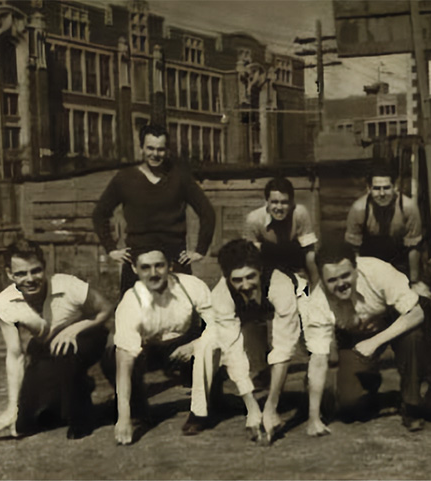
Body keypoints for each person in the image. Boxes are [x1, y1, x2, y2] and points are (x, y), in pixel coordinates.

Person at [0, 239, 112, 439]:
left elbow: (105, 309)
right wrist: (13, 406)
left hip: (89, 333)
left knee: (66, 352)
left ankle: (82, 418)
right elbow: (15, 354)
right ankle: (79, 385)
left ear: (45, 268)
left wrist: (74, 329)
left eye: (35, 271)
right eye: (20, 274)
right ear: (9, 274)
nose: (29, 279)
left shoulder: (68, 284)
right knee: (23, 425)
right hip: (47, 345)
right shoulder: (4, 303)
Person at [303, 243, 431, 436]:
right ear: (321, 279)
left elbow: (416, 313)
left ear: (356, 268)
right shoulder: (317, 302)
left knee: (413, 336)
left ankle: (412, 404)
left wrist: (375, 341)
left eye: (346, 275)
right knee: (350, 405)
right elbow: (319, 360)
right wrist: (313, 418)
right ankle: (369, 385)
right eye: (332, 280)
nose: (341, 284)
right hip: (354, 337)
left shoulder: (378, 271)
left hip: (392, 321)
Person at [186, 239, 306, 444]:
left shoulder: (280, 284)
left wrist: (270, 407)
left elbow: (283, 348)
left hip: (300, 298)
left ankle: (318, 395)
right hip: (251, 312)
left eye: (251, 277)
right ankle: (199, 410)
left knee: (317, 341)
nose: (245, 285)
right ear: (227, 278)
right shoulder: (222, 294)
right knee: (208, 341)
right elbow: (232, 350)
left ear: (259, 269)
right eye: (237, 280)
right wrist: (252, 408)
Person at [92, 124, 216, 295]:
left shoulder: (180, 177)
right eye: (150, 148)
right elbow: (100, 213)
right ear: (141, 148)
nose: (155, 154)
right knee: (133, 314)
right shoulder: (125, 178)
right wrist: (111, 248)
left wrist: (200, 250)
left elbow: (207, 212)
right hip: (137, 257)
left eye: (160, 149)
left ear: (167, 150)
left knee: (182, 313)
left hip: (174, 258)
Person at [111, 246, 213, 445]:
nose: (153, 273)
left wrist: (195, 345)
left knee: (211, 344)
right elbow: (124, 360)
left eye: (159, 266)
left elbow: (217, 323)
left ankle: (204, 407)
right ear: (135, 269)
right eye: (146, 267)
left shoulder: (191, 286)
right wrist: (123, 418)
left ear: (170, 266)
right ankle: (138, 411)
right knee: (112, 351)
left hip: (186, 342)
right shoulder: (130, 302)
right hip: (150, 349)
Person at [345, 163, 423, 285]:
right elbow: (354, 250)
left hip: (399, 263)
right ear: (369, 188)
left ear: (395, 187)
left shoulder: (408, 207)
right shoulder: (359, 209)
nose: (382, 194)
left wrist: (414, 281)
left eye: (386, 188)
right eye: (376, 188)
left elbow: (413, 247)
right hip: (369, 263)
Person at [244, 176, 319, 287]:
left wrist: (316, 285)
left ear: (292, 202)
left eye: (284, 202)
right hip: (267, 272)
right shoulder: (254, 219)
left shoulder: (300, 213)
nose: (279, 207)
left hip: (295, 270)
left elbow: (309, 253)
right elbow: (250, 258)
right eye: (274, 202)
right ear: (266, 202)